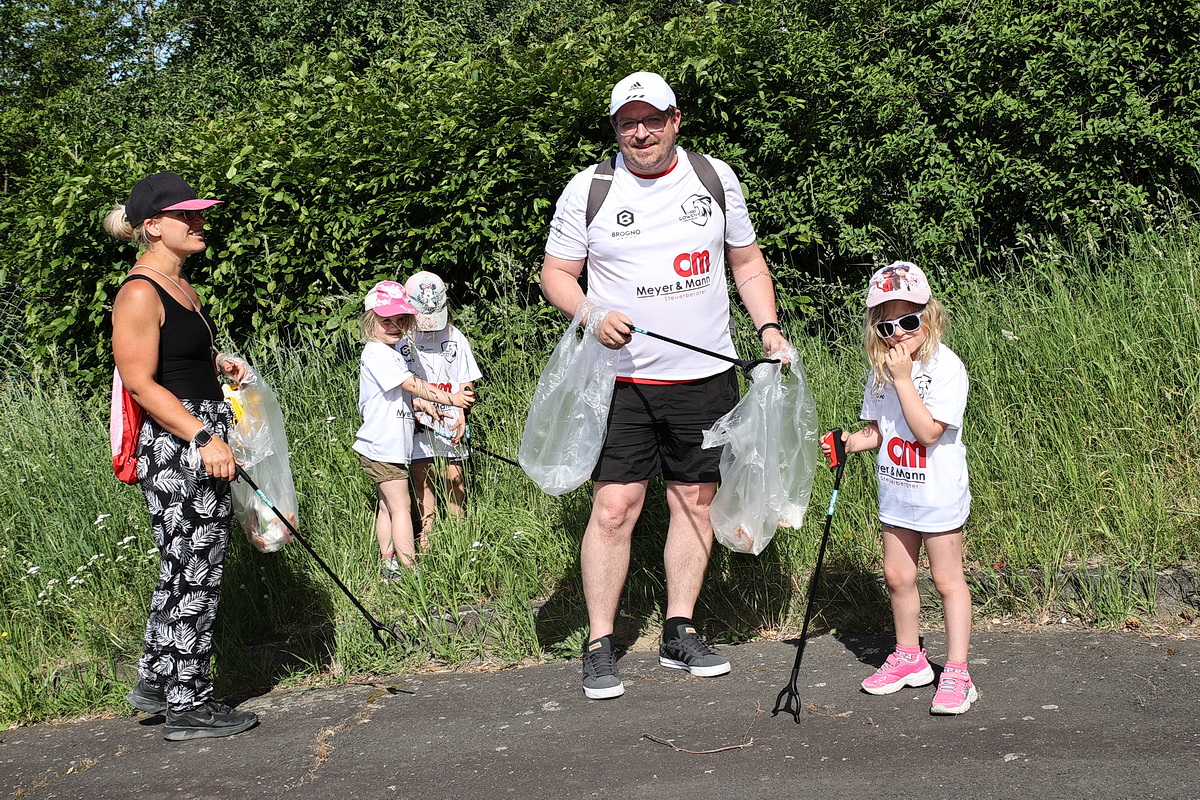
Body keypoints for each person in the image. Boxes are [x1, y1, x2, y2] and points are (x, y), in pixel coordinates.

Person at [539, 71, 791, 700]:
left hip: (706, 376)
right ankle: (600, 644)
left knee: (694, 503)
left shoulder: (714, 178)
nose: (641, 132)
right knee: (614, 507)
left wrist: (769, 328)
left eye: (652, 119)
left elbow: (748, 263)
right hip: (621, 382)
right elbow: (557, 275)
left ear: (676, 120)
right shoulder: (589, 189)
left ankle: (680, 630)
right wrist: (591, 314)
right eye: (628, 122)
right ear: (617, 129)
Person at [106, 171, 258, 740]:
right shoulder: (140, 291)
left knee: (182, 568)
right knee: (196, 573)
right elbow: (141, 383)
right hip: (178, 447)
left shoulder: (180, 287)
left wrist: (218, 364)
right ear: (152, 227)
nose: (198, 222)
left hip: (196, 435)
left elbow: (177, 358)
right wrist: (201, 436)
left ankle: (155, 681)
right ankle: (188, 705)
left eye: (199, 212)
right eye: (185, 215)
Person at [822, 261, 976, 715]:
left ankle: (957, 672)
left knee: (947, 580)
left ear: (928, 318)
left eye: (909, 321)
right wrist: (850, 442)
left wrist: (905, 378)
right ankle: (910, 657)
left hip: (938, 494)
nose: (898, 334)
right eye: (886, 324)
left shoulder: (945, 368)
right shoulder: (881, 370)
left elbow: (928, 432)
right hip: (897, 489)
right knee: (897, 577)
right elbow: (881, 431)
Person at [353, 281, 475, 580]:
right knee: (402, 508)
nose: (394, 326)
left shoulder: (390, 352)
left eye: (401, 321)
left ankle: (389, 563)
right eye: (386, 321)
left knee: (386, 508)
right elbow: (412, 385)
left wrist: (421, 407)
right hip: (384, 446)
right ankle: (410, 569)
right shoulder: (378, 353)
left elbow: (396, 397)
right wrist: (451, 399)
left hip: (382, 445)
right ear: (371, 321)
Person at [401, 271, 483, 541]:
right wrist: (416, 407)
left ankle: (459, 530)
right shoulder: (400, 340)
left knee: (454, 477)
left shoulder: (456, 336)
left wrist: (463, 414)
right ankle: (427, 533)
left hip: (451, 420)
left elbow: (466, 382)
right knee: (423, 477)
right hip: (416, 421)